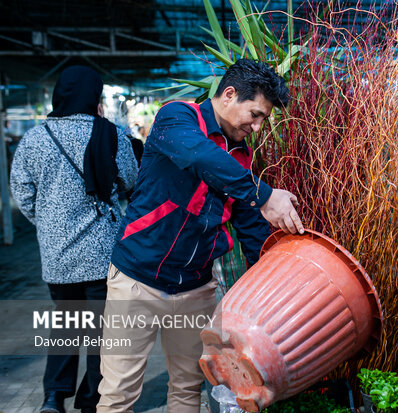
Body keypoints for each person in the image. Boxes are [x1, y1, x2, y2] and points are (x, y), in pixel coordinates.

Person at [97, 59, 304, 412]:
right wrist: (266, 194)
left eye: (263, 120)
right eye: (254, 114)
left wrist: (267, 283)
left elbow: (250, 224)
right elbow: (201, 157)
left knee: (187, 389)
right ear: (228, 95)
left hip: (195, 289)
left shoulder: (240, 155)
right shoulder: (177, 119)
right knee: (118, 393)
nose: (256, 126)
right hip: (137, 282)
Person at [10, 65, 139, 413]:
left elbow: (21, 192)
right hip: (102, 252)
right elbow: (130, 181)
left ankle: (54, 396)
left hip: (57, 254)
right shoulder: (112, 135)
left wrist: (48, 223)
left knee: (67, 322)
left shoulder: (34, 139)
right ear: (95, 98)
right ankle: (91, 399)